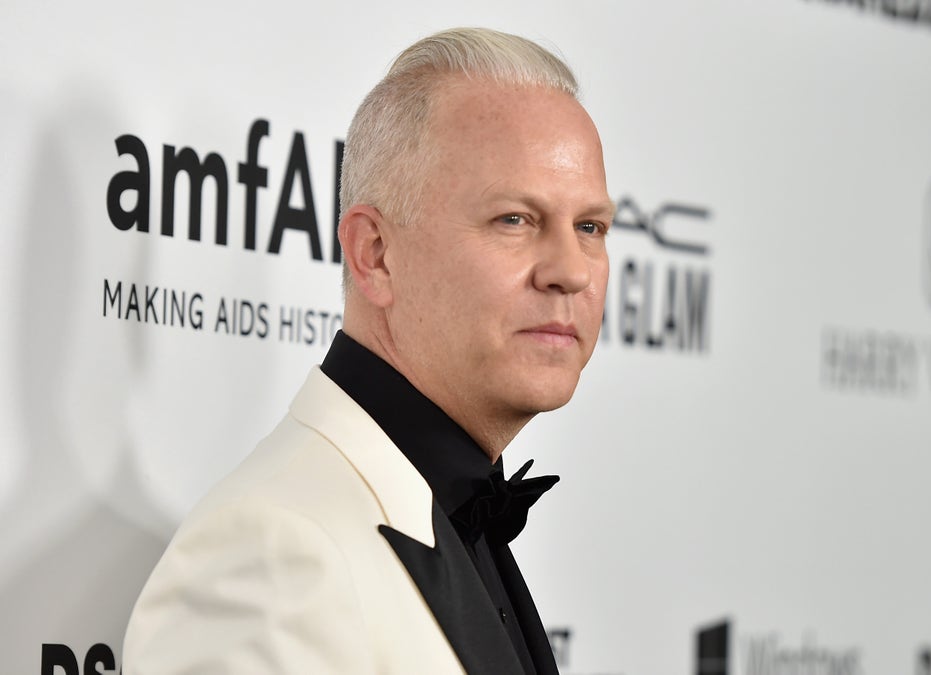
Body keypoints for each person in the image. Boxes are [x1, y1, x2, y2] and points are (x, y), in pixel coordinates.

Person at [122, 27, 612, 674]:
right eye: (514, 220)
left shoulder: (449, 514)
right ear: (374, 254)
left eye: (590, 227)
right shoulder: (269, 557)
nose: (571, 271)